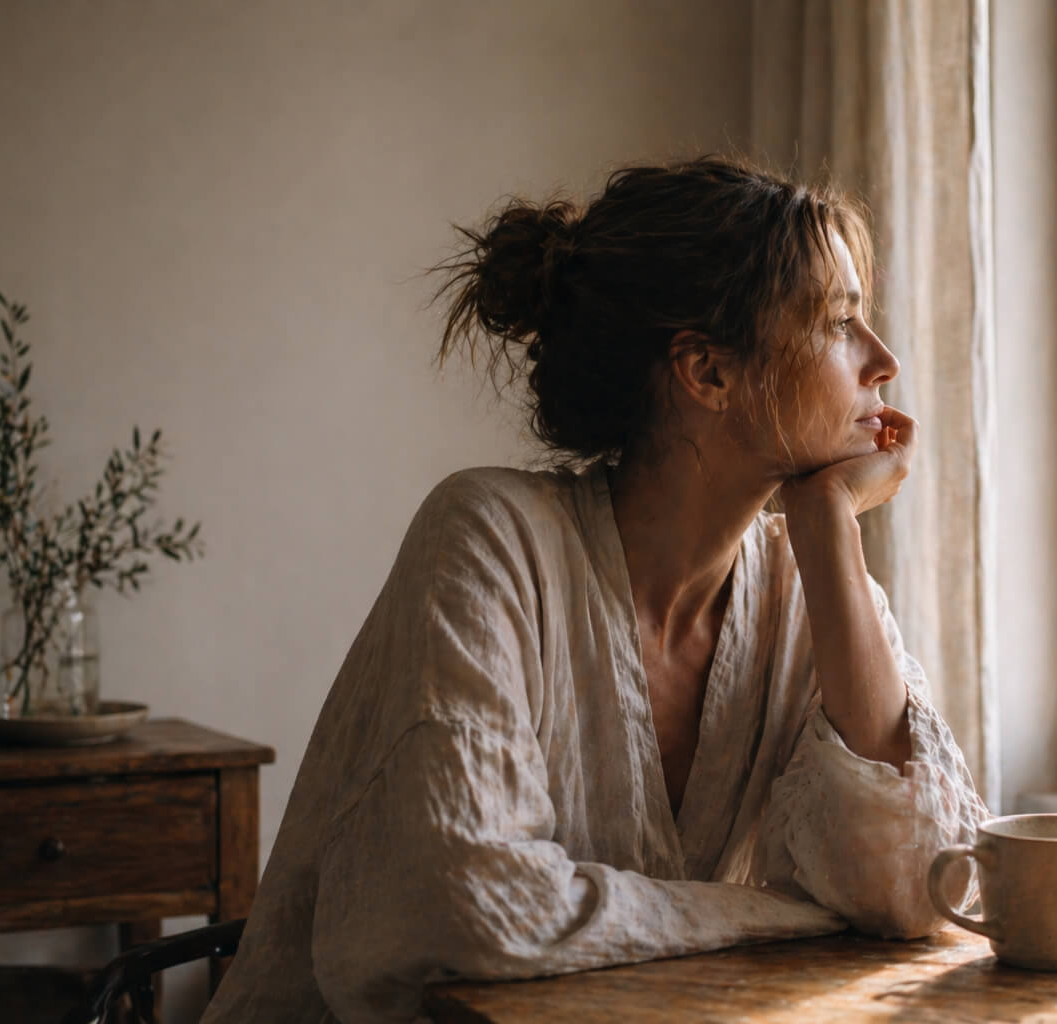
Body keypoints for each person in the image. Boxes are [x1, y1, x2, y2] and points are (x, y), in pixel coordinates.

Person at [201, 156, 985, 1024]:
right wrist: (779, 916)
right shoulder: (489, 537)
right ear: (707, 372)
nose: (884, 360)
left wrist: (832, 525)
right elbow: (467, 909)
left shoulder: (805, 585)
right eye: (841, 324)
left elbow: (921, 886)